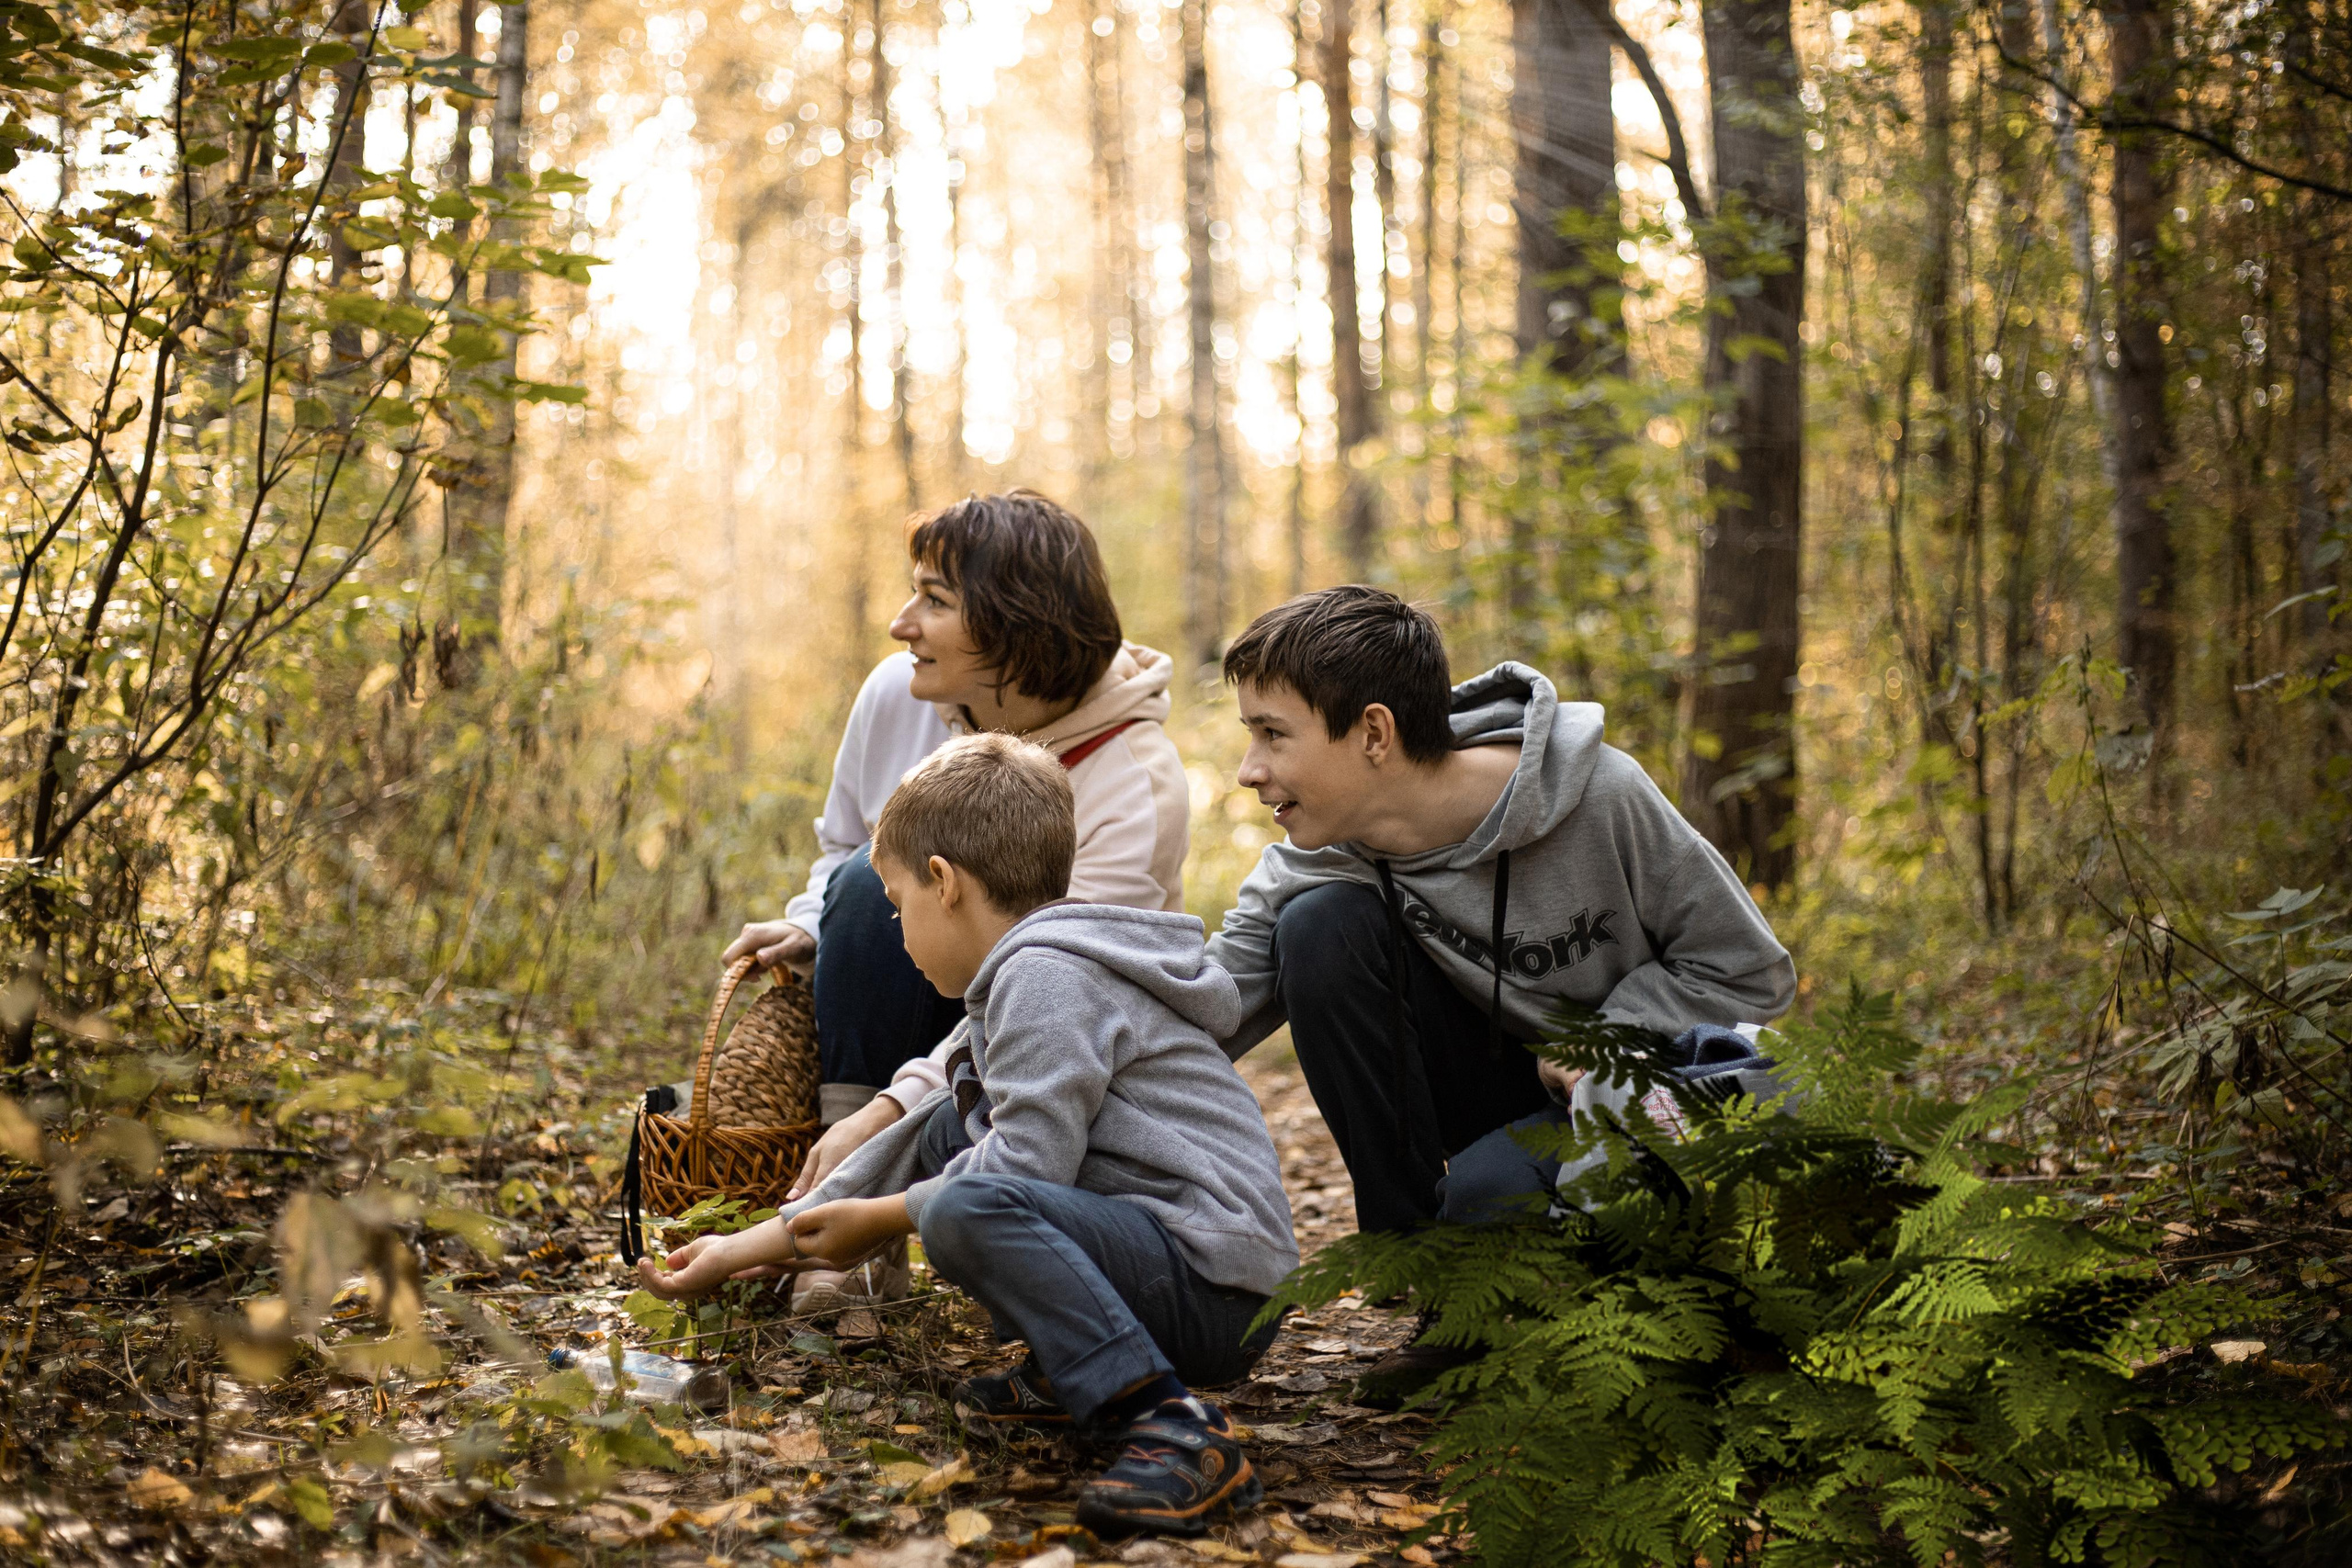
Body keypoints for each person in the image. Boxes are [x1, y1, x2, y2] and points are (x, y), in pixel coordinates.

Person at [642, 735, 1294, 1538]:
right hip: (1175, 1264)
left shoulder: (1046, 978)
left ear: (944, 883)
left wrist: (882, 1223)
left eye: (896, 903)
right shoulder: (1028, 971)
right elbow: (919, 1141)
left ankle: (1174, 1427)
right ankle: (1070, 1375)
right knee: (952, 1131)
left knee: (962, 1205)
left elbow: (1024, 1169)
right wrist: (743, 1246)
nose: (897, 926)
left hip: (1215, 1286)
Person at [1202, 586, 1796, 1379]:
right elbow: (1214, 998)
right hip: (1494, 1083)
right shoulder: (1323, 842)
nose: (1251, 770)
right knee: (1317, 929)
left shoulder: (1602, 797)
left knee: (1516, 1204)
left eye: (1273, 734)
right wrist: (1066, 1027)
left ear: (1373, 731)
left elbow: (1748, 968)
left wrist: (1608, 1037)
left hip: (1628, 1093)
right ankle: (1435, 1280)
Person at [720, 491, 1190, 1311]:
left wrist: (890, 1116)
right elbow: (843, 849)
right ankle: (845, 1236)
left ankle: (876, 1208)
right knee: (865, 884)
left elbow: (1061, 992)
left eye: (935, 600)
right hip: (933, 989)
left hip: (1060, 1047)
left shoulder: (1133, 781)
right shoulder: (898, 693)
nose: (904, 623)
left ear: (1020, 624)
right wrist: (814, 925)